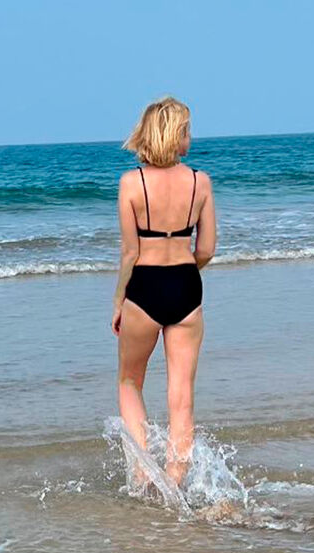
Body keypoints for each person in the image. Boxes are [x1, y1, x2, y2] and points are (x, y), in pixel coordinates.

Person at [112, 97, 216, 487]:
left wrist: (119, 301)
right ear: (174, 135)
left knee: (129, 382)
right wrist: (184, 273)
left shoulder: (131, 183)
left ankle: (142, 474)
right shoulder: (200, 182)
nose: (191, 137)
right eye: (187, 130)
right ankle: (174, 482)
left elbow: (130, 253)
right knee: (181, 395)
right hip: (186, 286)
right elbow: (206, 249)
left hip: (144, 286)